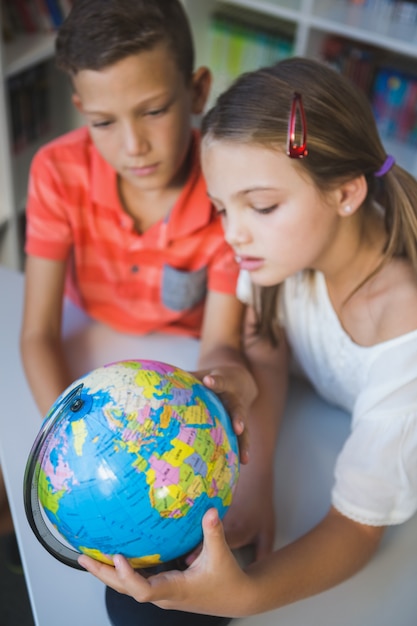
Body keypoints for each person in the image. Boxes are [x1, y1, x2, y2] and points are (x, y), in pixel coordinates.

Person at [78, 56, 417, 619]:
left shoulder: (404, 328)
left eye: (261, 205)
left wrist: (248, 593)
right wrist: (254, 466)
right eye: (220, 208)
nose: (232, 234)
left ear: (346, 194)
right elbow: (265, 348)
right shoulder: (276, 252)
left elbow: (357, 530)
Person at [20, 1, 259, 624]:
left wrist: (226, 382)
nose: (133, 145)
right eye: (104, 121)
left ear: (197, 89)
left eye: (154, 110)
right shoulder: (57, 171)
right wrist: (71, 450)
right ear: (80, 111)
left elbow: (220, 344)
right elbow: (38, 333)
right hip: (97, 346)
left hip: (180, 372)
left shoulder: (224, 186)